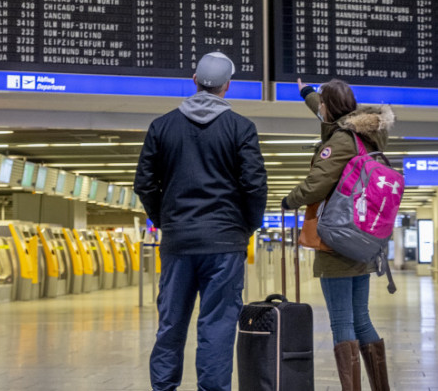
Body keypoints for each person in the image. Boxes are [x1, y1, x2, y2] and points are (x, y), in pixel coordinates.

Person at [134, 52, 268, 391]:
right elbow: (254, 184)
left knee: (171, 324)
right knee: (218, 325)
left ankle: (164, 388)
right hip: (225, 244)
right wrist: (247, 226)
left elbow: (145, 183)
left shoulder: (161, 126)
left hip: (178, 243)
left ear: (194, 81)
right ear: (228, 86)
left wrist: (164, 220)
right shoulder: (241, 128)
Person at [281, 78, 394, 391]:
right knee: (362, 318)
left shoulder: (340, 141)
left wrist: (290, 199)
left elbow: (318, 182)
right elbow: (323, 110)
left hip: (337, 240)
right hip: (362, 239)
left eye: (322, 104)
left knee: (342, 322)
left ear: (330, 109)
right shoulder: (363, 135)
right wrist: (307, 93)